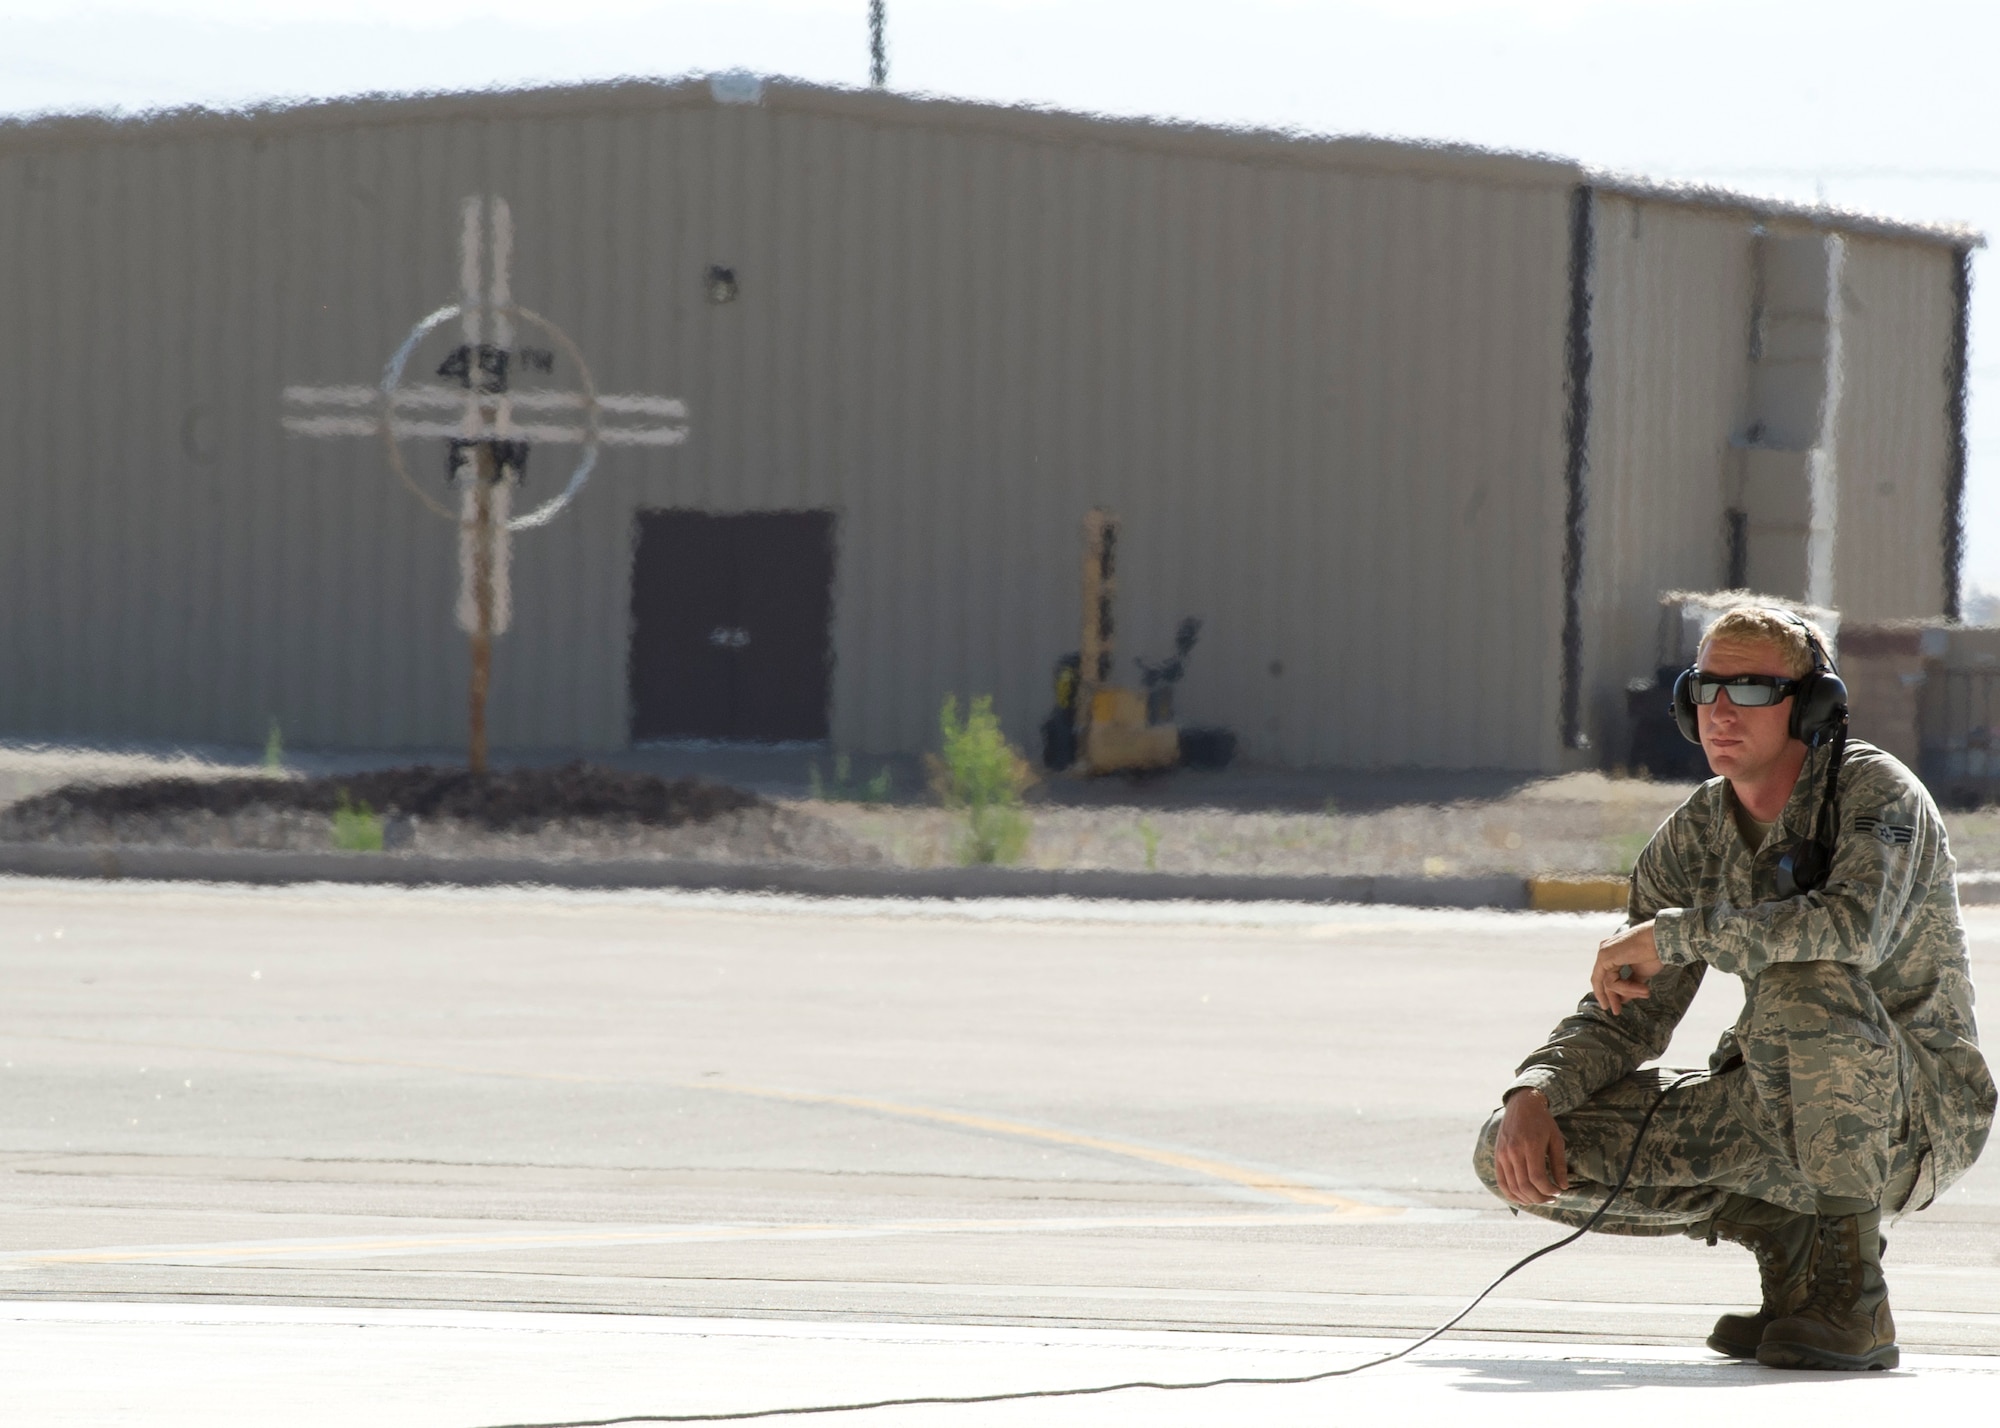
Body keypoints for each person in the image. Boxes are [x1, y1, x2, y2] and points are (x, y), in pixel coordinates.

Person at [1474, 605, 1993, 1370]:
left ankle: (1853, 1301)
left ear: (1810, 708)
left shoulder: (1874, 794)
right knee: (1511, 1150)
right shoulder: (1691, 837)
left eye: (1751, 691)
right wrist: (1537, 1090)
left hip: (1916, 1116)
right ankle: (1791, 1250)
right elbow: (1628, 1019)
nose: (1721, 711)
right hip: (1778, 1101)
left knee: (1805, 979)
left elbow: (1850, 931)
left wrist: (1675, 934)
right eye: (1705, 688)